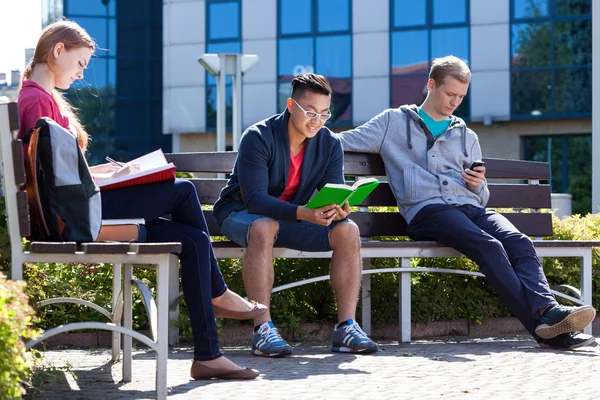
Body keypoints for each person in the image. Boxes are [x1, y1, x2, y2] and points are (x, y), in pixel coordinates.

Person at [18, 20, 266, 380]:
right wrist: (116, 179)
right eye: (81, 63)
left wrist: (118, 173)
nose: (81, 73)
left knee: (194, 240)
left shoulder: (38, 98)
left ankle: (208, 355)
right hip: (77, 221)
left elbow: (65, 175)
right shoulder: (37, 101)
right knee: (183, 190)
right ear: (59, 50)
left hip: (78, 211)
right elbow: (58, 186)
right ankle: (218, 295)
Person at [338, 55, 597, 350]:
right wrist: (303, 125)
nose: (454, 102)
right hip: (427, 210)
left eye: (461, 97)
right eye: (450, 94)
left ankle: (547, 314)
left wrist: (477, 183)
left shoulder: (466, 134)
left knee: (519, 240)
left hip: (469, 208)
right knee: (490, 246)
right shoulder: (393, 122)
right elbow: (342, 141)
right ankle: (544, 325)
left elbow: (482, 196)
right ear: (431, 85)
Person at [213, 73, 378, 357]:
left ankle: (346, 328)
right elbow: (255, 200)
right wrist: (304, 213)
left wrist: (339, 208)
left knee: (347, 230)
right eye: (310, 112)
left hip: (290, 219)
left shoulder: (329, 143)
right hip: (241, 214)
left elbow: (333, 189)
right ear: (291, 105)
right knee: (265, 226)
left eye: (324, 114)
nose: (317, 120)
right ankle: (262, 329)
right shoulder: (258, 136)